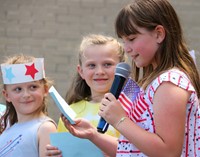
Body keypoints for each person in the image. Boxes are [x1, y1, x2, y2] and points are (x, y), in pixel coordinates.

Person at [56, 0, 200, 157]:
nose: (126, 48)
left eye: (131, 39)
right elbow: (135, 150)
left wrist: (120, 120)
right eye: (124, 40)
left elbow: (168, 152)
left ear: (159, 34)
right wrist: (93, 134)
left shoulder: (169, 83)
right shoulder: (155, 82)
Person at [45, 34, 127, 156]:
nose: (99, 72)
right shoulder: (70, 112)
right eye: (91, 65)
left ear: (121, 68)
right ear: (81, 71)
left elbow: (138, 150)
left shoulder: (132, 106)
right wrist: (56, 153)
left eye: (107, 64)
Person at [0, 54, 57, 157]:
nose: (26, 95)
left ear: (45, 90)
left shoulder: (45, 128)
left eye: (33, 87)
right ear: (7, 95)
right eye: (18, 89)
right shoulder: (7, 128)